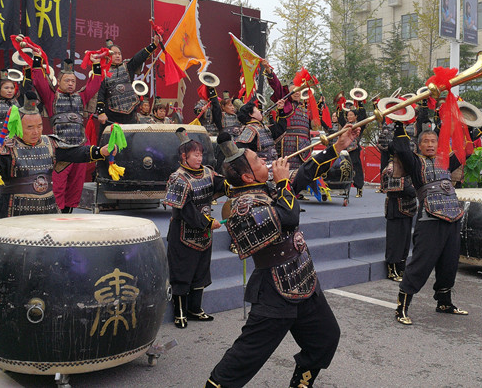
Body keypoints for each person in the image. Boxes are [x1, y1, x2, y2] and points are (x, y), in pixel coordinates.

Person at [206, 125, 360, 388]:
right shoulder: (244, 205)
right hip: (274, 290)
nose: (265, 159)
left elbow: (304, 174)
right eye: (257, 160)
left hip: (303, 279)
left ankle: (301, 384)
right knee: (244, 358)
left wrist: (338, 146)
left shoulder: (265, 187)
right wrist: (281, 182)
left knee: (325, 338)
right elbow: (288, 217)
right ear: (246, 176)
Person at [0, 92, 112, 220]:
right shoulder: (6, 147)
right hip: (13, 209)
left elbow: (75, 153)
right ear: (19, 126)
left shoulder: (50, 143)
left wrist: (101, 152)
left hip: (47, 207)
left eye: (39, 126)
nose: (36, 131)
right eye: (30, 127)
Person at [391, 127, 468, 325]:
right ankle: (402, 307)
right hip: (430, 219)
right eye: (426, 141)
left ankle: (444, 302)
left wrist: (474, 128)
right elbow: (401, 148)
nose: (431, 144)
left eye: (434, 141)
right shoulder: (415, 163)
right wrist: (400, 125)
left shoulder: (445, 161)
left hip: (453, 216)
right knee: (420, 264)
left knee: (449, 264)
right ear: (419, 145)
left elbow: (464, 148)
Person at [163, 128, 226, 328]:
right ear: (184, 156)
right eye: (195, 154)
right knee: (182, 272)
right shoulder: (178, 178)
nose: (199, 158)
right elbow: (185, 211)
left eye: (200, 154)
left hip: (204, 234)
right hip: (183, 233)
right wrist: (207, 223)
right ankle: (180, 311)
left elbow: (221, 185)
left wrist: (235, 184)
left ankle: (195, 308)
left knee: (200, 271)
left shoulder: (208, 171)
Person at [30, 54, 103, 213]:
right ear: (59, 81)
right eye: (67, 81)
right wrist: (37, 59)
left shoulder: (81, 97)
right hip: (61, 149)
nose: (71, 84)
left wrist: (96, 64)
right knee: (58, 184)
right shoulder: (52, 97)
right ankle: (56, 215)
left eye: (73, 81)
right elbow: (40, 82)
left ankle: (68, 214)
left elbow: (94, 85)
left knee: (76, 186)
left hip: (81, 146)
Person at [96, 35, 159, 129]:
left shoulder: (127, 67)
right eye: (114, 53)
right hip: (112, 116)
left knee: (131, 142)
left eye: (119, 54)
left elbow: (139, 57)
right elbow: (99, 95)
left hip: (130, 115)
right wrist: (101, 113)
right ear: (107, 56)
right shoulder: (102, 72)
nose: (117, 55)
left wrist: (153, 45)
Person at [381, 121, 417, 282]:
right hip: (396, 206)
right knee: (394, 240)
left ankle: (401, 268)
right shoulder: (391, 166)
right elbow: (386, 185)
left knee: (404, 241)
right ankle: (391, 270)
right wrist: (409, 189)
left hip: (409, 206)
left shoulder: (412, 163)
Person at [341, 105, 367, 197]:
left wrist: (360, 104)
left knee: (356, 169)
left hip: (354, 149)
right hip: (344, 150)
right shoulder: (345, 124)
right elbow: (340, 116)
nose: (349, 117)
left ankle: (359, 188)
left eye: (351, 115)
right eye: (348, 115)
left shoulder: (359, 125)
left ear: (356, 116)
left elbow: (364, 117)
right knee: (344, 168)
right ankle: (343, 188)